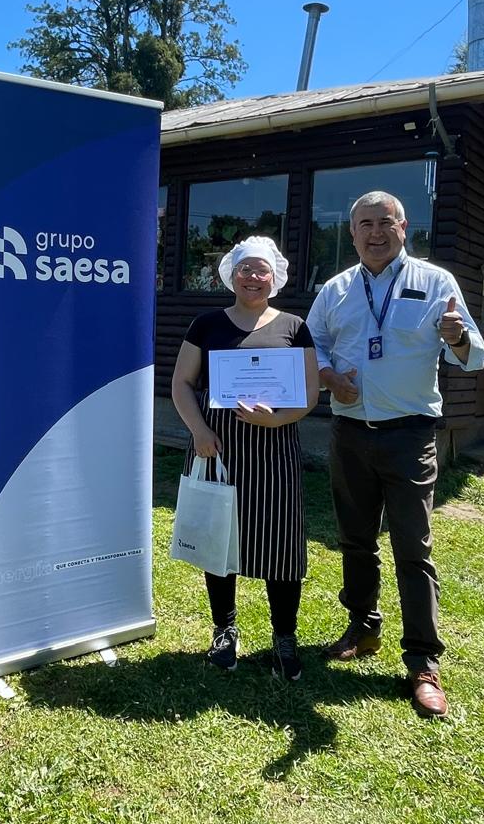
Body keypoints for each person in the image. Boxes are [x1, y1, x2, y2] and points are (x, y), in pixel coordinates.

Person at [305, 190, 484, 718]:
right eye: (365, 224)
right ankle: (362, 628)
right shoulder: (336, 289)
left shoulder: (436, 283)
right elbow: (310, 341)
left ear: (405, 227)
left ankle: (423, 663)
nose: (375, 233)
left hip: (410, 435)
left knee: (413, 547)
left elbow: (473, 356)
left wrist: (456, 338)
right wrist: (328, 375)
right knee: (355, 540)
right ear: (352, 231)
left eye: (385, 223)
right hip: (351, 434)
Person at [172, 236, 320, 679]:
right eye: (244, 269)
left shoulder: (294, 326)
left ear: (275, 277)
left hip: (274, 450)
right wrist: (199, 430)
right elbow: (182, 383)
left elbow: (310, 393)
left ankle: (284, 637)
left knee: (280, 542)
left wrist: (277, 421)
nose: (252, 277)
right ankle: (224, 630)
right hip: (217, 447)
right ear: (230, 275)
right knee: (220, 538)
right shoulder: (206, 324)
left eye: (261, 270)